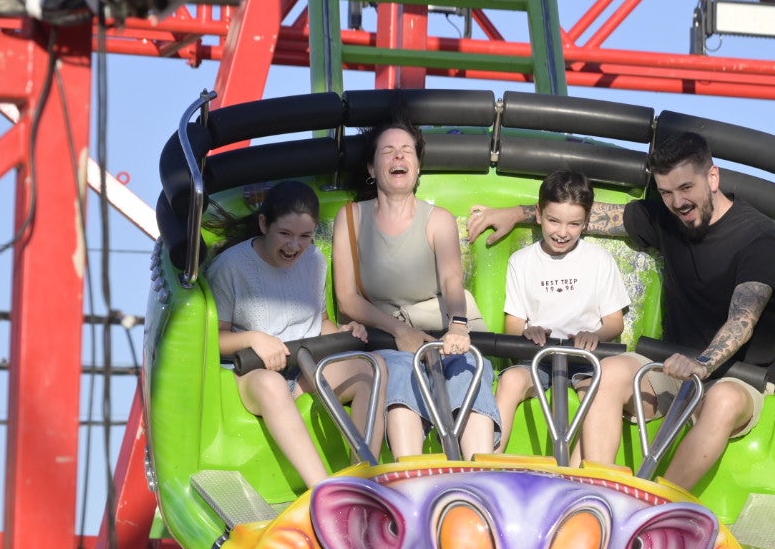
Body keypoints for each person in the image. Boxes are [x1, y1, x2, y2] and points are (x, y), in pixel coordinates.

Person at [469, 131, 775, 490]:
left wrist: (703, 363)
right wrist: (519, 213)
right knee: (611, 369)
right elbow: (599, 216)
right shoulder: (669, 216)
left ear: (712, 178)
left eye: (686, 188)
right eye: (666, 192)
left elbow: (743, 320)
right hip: (670, 366)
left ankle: (656, 503)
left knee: (723, 400)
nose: (677, 202)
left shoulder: (757, 237)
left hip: (737, 376)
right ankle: (589, 495)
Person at [332, 120, 499, 459]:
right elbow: (347, 298)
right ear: (372, 168)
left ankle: (480, 474)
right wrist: (399, 331)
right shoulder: (350, 218)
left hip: (441, 326)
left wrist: (457, 325)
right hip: (386, 333)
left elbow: (452, 280)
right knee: (399, 370)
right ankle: (410, 477)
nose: (399, 156)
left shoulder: (438, 219)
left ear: (417, 167)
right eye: (388, 151)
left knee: (467, 368)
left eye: (407, 151)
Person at [209, 179, 381, 486]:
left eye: (305, 236)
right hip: (254, 374)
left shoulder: (314, 260)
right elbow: (215, 339)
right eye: (285, 234)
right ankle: (323, 490)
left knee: (372, 367)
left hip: (304, 369)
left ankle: (363, 479)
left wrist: (342, 331)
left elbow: (320, 321)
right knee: (273, 384)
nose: (294, 247)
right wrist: (254, 339)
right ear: (264, 224)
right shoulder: (231, 267)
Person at [493, 169, 629, 451]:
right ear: (540, 214)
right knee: (510, 379)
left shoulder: (599, 260)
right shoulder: (522, 262)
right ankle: (487, 460)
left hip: (587, 356)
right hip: (540, 357)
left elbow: (615, 322)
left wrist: (596, 335)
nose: (562, 232)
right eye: (554, 221)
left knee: (598, 395)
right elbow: (514, 324)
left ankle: (580, 474)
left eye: (573, 224)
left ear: (586, 222)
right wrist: (528, 331)